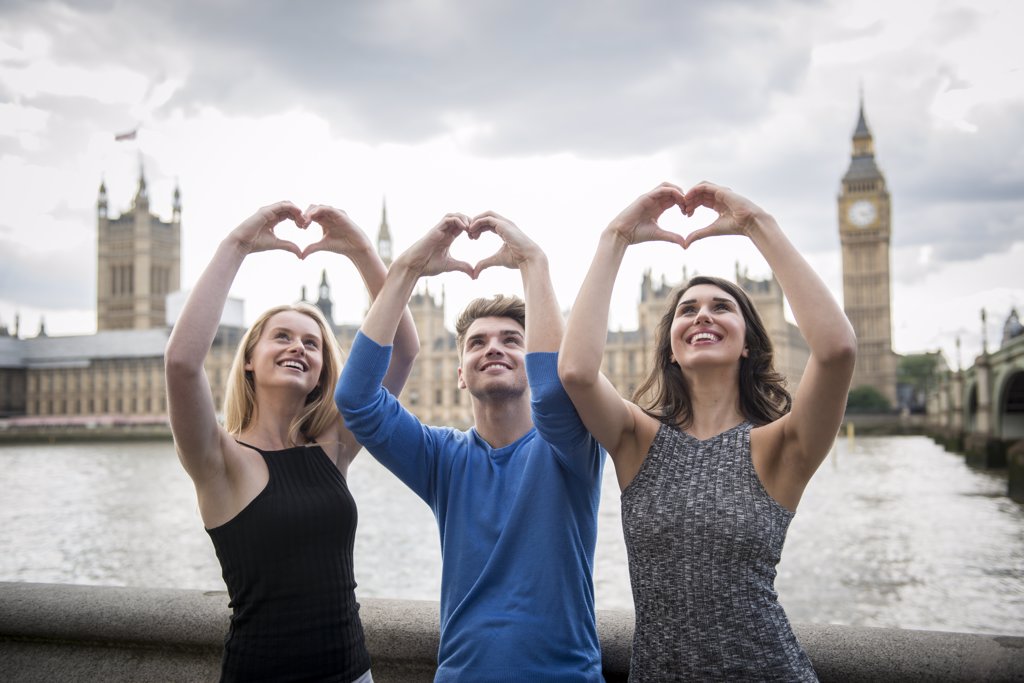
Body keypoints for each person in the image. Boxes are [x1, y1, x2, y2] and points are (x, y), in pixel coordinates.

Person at [558, 181, 857, 681]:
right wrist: (616, 236)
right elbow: (576, 373)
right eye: (686, 309)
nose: (702, 314)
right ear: (671, 347)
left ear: (747, 343)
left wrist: (756, 224)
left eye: (722, 307)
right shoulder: (638, 439)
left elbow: (837, 351)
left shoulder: (780, 447)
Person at [335, 211, 606, 682]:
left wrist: (533, 262)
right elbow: (356, 398)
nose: (493, 348)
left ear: (533, 358)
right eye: (476, 342)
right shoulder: (442, 460)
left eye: (512, 340)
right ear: (460, 371)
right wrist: (406, 270)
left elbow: (558, 388)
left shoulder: (572, 448)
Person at [165, 202, 418, 682]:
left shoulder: (334, 447)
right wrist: (237, 245)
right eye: (281, 336)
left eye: (312, 343)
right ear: (248, 359)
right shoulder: (218, 461)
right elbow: (181, 362)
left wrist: (361, 250)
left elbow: (403, 349)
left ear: (323, 369)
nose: (298, 347)